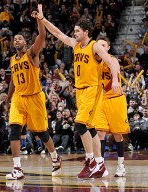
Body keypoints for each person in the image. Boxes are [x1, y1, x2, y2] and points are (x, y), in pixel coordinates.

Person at [36, 5, 122, 179]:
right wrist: (42, 19)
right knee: (90, 128)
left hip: (92, 89)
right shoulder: (75, 44)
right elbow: (58, 34)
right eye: (74, 31)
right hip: (80, 91)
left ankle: (91, 160)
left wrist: (114, 80)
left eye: (77, 31)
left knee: (80, 124)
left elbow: (112, 62)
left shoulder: (95, 46)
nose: (74, 33)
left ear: (86, 32)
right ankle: (100, 165)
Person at [5, 6, 61, 180]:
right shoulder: (13, 60)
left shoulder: (32, 53)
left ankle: (55, 158)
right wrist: (7, 100)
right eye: (14, 39)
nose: (16, 41)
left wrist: (39, 19)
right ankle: (17, 168)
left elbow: (42, 36)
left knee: (41, 133)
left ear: (25, 42)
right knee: (14, 129)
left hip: (35, 98)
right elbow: (13, 81)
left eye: (19, 39)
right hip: (18, 99)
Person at [95, 37, 130, 177]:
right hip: (100, 101)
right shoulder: (95, 62)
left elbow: (115, 68)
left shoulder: (112, 59)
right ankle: (100, 165)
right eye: (99, 45)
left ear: (108, 47)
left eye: (104, 45)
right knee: (100, 133)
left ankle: (121, 165)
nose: (101, 48)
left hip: (115, 99)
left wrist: (115, 80)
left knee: (117, 135)